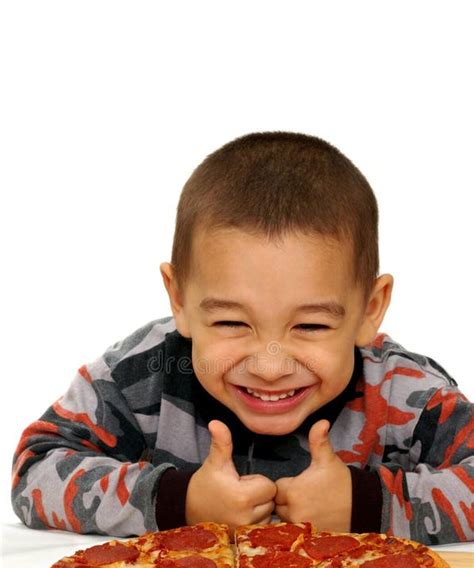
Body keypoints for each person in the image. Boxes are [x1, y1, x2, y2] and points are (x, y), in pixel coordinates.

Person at [11, 132, 473, 544]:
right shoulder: (140, 375)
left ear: (370, 310)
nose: (270, 367)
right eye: (232, 323)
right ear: (180, 300)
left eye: (310, 326)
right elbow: (34, 471)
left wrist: (367, 505)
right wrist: (178, 501)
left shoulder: (406, 391)